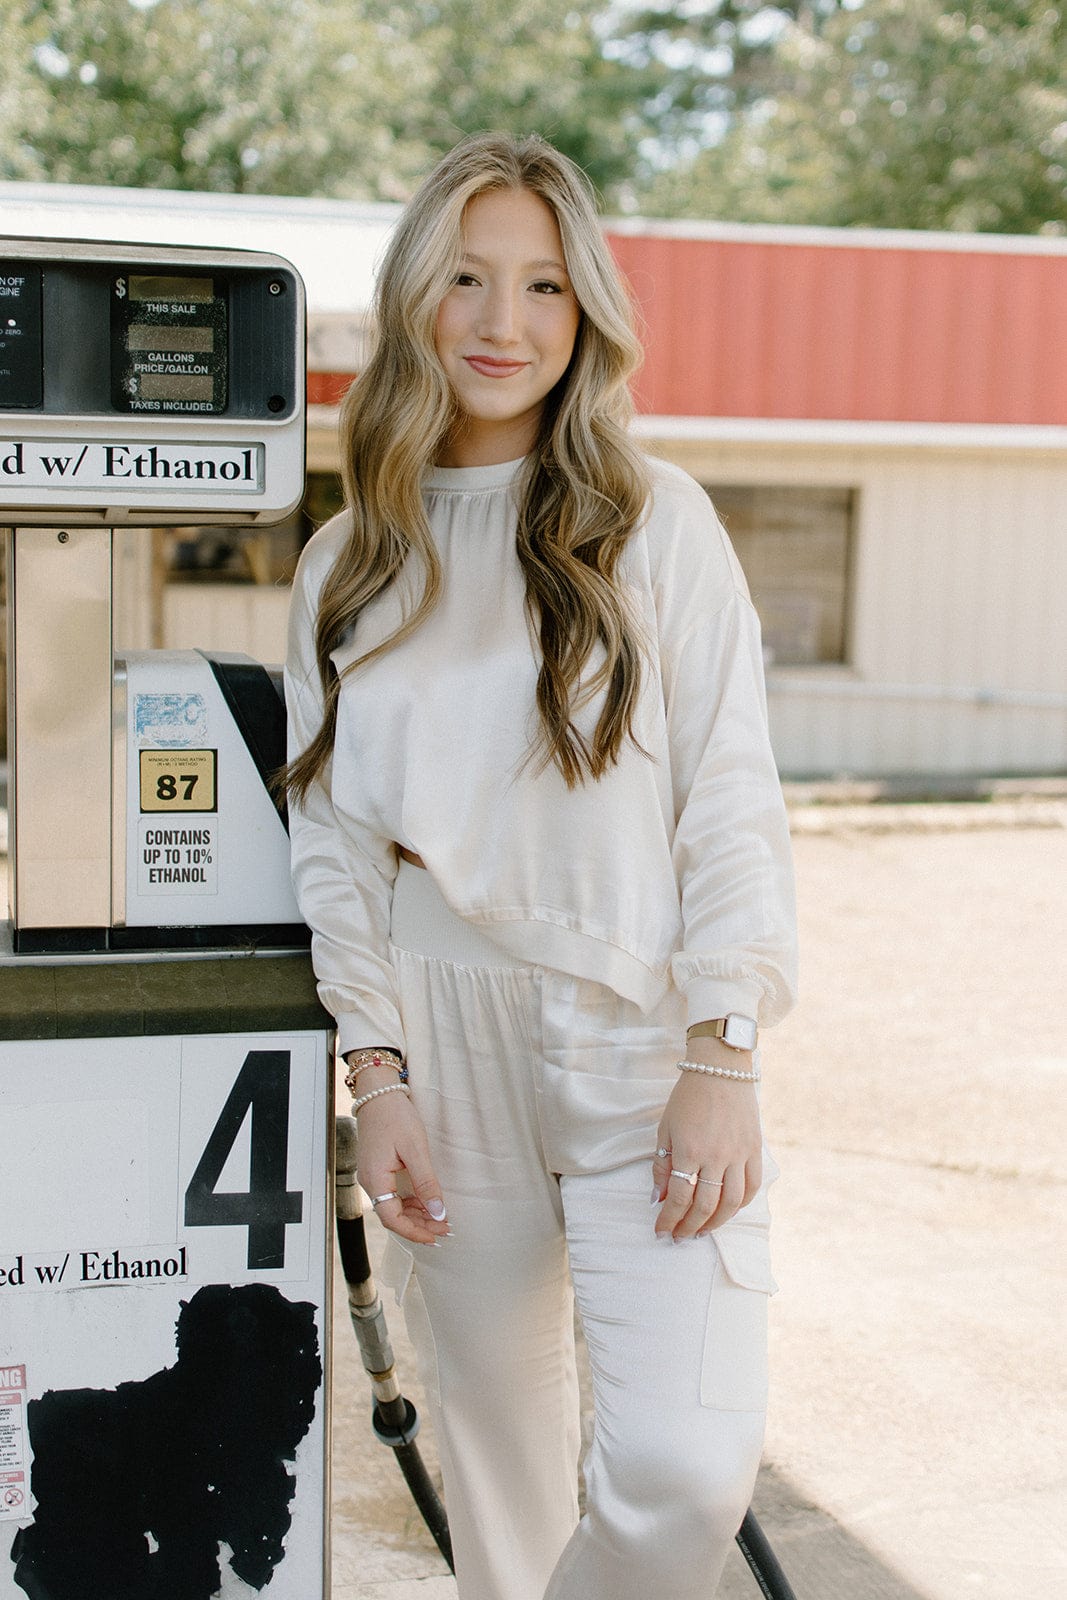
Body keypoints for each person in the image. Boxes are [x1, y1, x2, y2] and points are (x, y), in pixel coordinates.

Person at [284, 131, 797, 1600]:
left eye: (546, 289)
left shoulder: (658, 524)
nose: (503, 325)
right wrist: (375, 1076)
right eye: (467, 279)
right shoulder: (350, 564)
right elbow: (337, 852)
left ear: (588, 317)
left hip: (645, 1032)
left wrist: (729, 1045)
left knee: (682, 1475)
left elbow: (731, 800)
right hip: (442, 1042)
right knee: (504, 1492)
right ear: (415, 298)